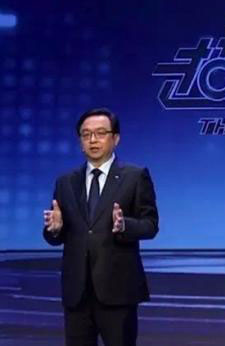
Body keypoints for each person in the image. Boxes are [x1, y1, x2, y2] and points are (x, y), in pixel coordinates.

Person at [43, 108, 159, 346]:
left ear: (115, 138)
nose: (92, 140)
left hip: (118, 291)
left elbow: (150, 225)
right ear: (80, 142)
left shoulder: (135, 176)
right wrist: (54, 229)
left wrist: (124, 225)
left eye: (100, 133)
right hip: (77, 293)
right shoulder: (65, 182)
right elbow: (56, 235)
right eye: (86, 135)